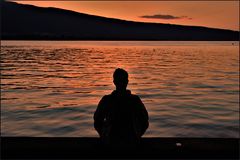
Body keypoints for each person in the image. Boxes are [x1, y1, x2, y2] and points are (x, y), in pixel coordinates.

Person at [94, 68, 149, 146]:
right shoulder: (135, 100)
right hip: (131, 142)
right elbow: (144, 121)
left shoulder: (107, 100)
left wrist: (104, 135)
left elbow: (97, 121)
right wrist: (137, 135)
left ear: (114, 82)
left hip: (112, 142)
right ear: (127, 82)